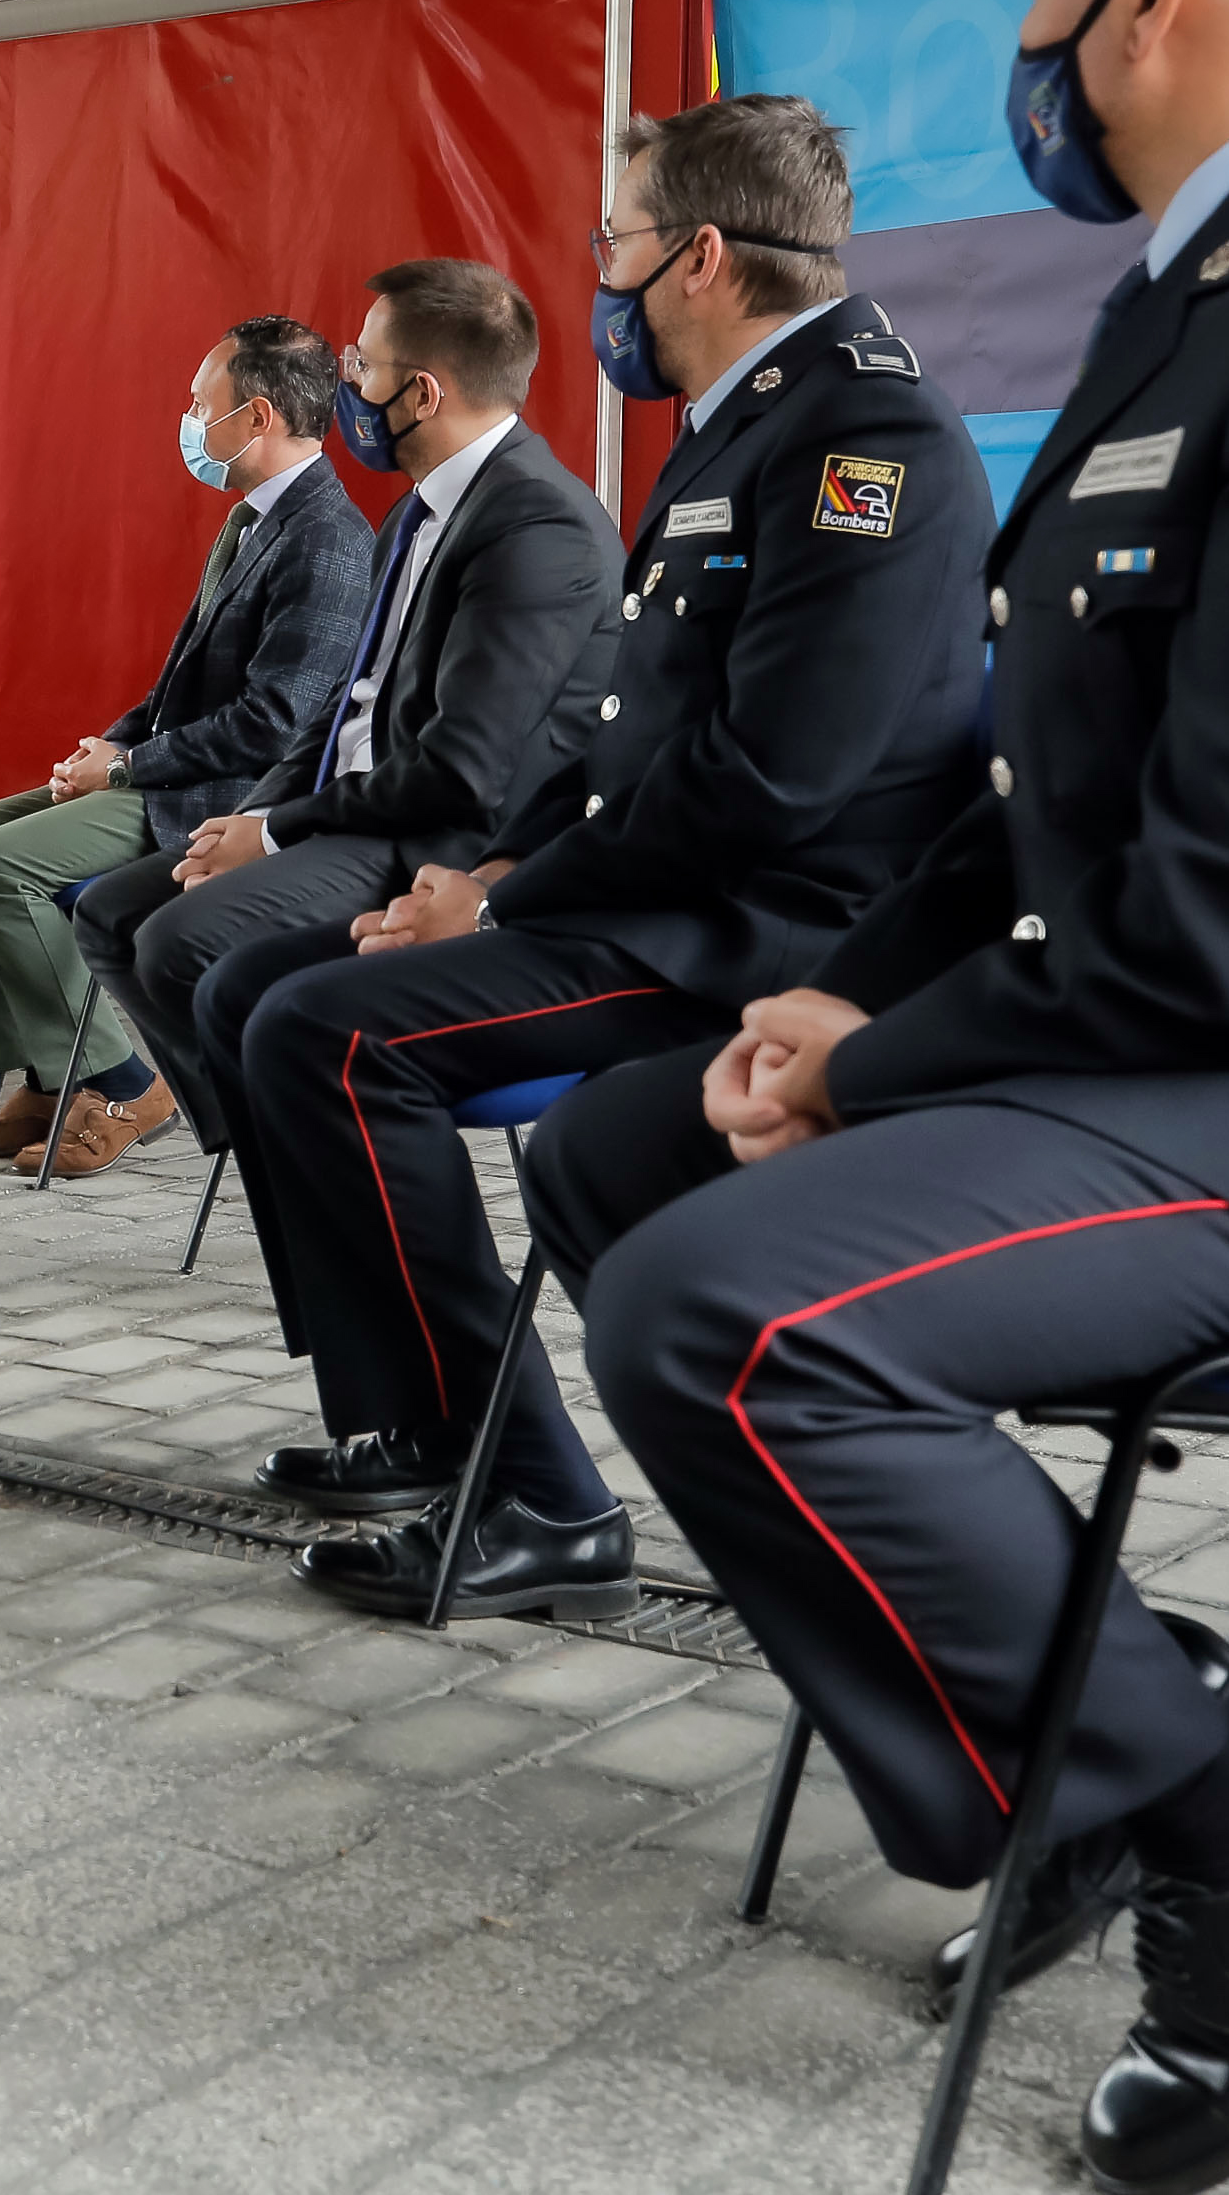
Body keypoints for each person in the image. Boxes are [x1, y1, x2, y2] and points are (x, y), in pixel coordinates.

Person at [537, 0, 1229, 2193]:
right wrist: (832, 1004)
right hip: (1219, 1031)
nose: (1024, 62)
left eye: (1035, 0)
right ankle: (1070, 1754)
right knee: (621, 1154)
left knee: (731, 1320)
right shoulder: (1221, 287)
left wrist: (887, 1073)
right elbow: (1041, 790)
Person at [215, 96, 990, 1626]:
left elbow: (773, 776)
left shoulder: (863, 434)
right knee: (259, 979)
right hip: (660, 891)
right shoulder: (745, 425)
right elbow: (633, 732)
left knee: (326, 1035)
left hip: (763, 932)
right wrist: (485, 862)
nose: (602, 283)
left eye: (613, 246)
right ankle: (422, 1438)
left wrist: (498, 891)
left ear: (699, 256)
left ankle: (532, 1498)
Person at [75, 261, 618, 1154]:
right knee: (109, 915)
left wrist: (279, 829)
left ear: (423, 391)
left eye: (363, 368)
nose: (349, 390)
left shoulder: (534, 526)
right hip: (354, 811)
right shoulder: (419, 513)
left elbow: (458, 771)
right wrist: (250, 818)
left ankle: (305, 1150)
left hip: (435, 841)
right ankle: (271, 1140)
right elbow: (346, 707)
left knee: (177, 945)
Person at [0, 317, 372, 1176]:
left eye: (203, 403)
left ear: (259, 416)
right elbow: (181, 683)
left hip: (220, 796)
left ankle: (125, 1081)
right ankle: (55, 1081)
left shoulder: (327, 538)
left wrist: (125, 769)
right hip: (165, 768)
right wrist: (111, 740)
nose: (189, 420)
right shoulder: (253, 520)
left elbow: (272, 724)